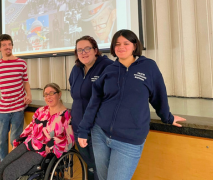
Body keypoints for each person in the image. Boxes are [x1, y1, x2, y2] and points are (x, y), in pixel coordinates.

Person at [77, 29, 186, 180]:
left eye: (126, 43)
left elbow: (158, 95)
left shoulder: (148, 67)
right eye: (117, 44)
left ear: (134, 46)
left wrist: (168, 117)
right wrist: (83, 130)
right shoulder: (109, 70)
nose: (121, 47)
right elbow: (94, 102)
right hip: (100, 135)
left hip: (128, 140)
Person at [0, 83, 74, 180]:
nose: (48, 97)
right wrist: (19, 139)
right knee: (0, 169)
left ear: (59, 94)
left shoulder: (66, 116)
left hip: (42, 152)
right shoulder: (41, 111)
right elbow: (31, 127)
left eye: (51, 93)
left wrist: (53, 141)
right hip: (28, 143)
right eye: (46, 94)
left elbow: (70, 140)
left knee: (9, 173)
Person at [0, 34, 32, 178]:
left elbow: (25, 82)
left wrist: (28, 95)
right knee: (2, 139)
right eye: (4, 45)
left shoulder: (21, 63)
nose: (7, 47)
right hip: (3, 109)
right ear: (0, 48)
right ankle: (2, 165)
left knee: (15, 139)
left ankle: (14, 167)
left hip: (18, 108)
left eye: (9, 44)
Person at [69, 35, 113, 180]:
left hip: (98, 129)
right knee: (91, 166)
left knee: (101, 169)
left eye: (87, 48)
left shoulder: (107, 67)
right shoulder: (76, 70)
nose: (83, 52)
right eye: (79, 50)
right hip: (79, 128)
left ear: (95, 50)